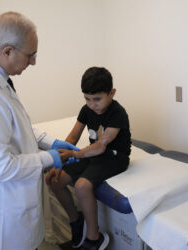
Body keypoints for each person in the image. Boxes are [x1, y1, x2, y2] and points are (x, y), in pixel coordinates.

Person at [0, 12, 78, 250]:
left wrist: (50, 142)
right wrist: (48, 158)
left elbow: (15, 126)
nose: (34, 62)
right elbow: (0, 166)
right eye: (31, 55)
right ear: (8, 51)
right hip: (3, 212)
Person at [46, 67, 131, 250]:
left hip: (114, 157)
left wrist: (75, 154)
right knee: (54, 180)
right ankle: (76, 221)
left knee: (82, 186)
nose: (92, 105)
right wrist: (59, 161)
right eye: (87, 99)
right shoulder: (86, 110)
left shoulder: (118, 113)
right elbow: (72, 138)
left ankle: (94, 237)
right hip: (92, 154)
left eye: (97, 99)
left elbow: (101, 145)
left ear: (112, 93)